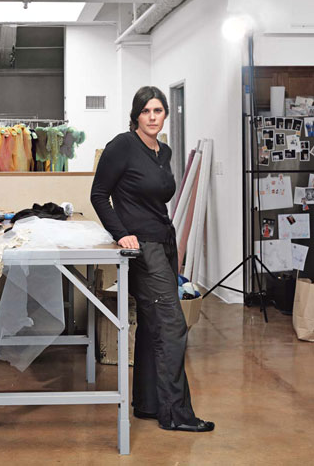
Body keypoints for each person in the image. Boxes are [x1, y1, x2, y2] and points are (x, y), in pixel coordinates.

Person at [90, 86, 214, 432]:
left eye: (158, 110)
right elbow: (99, 194)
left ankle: (148, 404)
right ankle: (176, 414)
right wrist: (120, 233)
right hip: (143, 247)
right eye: (146, 111)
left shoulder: (164, 151)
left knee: (152, 323)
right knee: (172, 325)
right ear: (136, 115)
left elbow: (156, 199)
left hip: (164, 242)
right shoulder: (122, 146)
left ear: (165, 115)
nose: (152, 117)